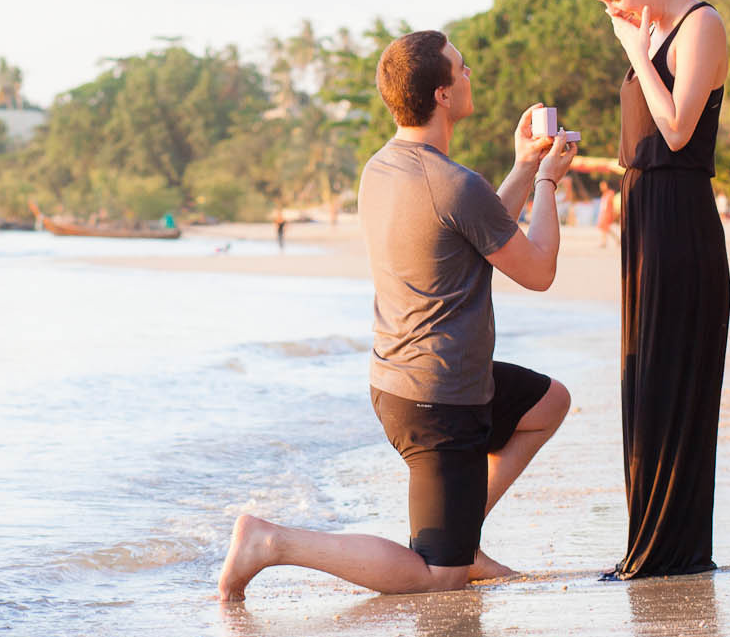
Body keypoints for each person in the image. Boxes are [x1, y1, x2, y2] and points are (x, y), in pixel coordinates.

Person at [219, 31, 578, 601]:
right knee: (438, 577)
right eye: (461, 69)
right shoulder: (453, 183)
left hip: (413, 381)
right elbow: (536, 270)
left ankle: (463, 531)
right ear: (441, 94)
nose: (469, 76)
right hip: (439, 399)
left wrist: (520, 165)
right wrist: (546, 181)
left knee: (548, 401)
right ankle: (272, 543)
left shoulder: (384, 169)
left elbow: (481, 230)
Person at [586, 0, 730, 579]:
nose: (610, 10)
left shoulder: (702, 25)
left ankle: (672, 553)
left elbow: (676, 131)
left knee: (673, 384)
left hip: (681, 222)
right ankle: (647, 545)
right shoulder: (650, 38)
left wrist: (635, 57)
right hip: (644, 220)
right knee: (645, 383)